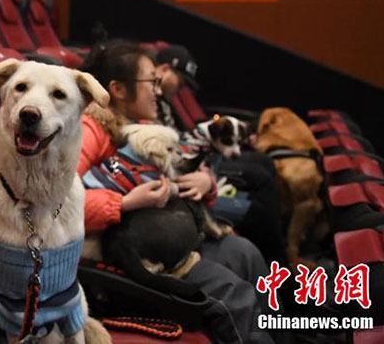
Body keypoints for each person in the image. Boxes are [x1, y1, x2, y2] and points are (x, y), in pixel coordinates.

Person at [78, 39, 273, 344]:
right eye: (151, 82)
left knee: (246, 255)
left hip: (166, 234)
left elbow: (181, 175)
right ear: (117, 90)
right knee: (237, 297)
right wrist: (124, 202)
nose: (158, 90)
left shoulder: (144, 125)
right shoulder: (89, 130)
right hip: (125, 257)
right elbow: (58, 205)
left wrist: (206, 183)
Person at [154, 45, 288, 263]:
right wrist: (204, 176)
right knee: (259, 203)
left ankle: (285, 267)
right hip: (181, 187)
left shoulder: (163, 105)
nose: (181, 88)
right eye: (180, 80)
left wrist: (206, 176)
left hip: (194, 173)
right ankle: (285, 281)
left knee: (262, 180)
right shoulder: (147, 115)